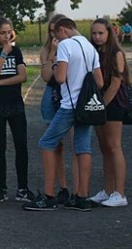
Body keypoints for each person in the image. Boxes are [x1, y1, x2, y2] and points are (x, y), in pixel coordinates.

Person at [23, 17, 103, 212]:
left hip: (69, 105)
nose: (55, 38)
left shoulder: (66, 45)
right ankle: (81, 196)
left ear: (64, 30)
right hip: (86, 106)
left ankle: (49, 195)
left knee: (46, 143)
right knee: (83, 147)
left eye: (56, 34)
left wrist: (58, 56)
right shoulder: (90, 47)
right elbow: (99, 82)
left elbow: (59, 78)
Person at [0, 17, 34, 203]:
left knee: (21, 145)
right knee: (0, 146)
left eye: (9, 32)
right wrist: (3, 54)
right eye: (2, 32)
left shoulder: (16, 51)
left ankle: (23, 188)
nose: (7, 35)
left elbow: (22, 77)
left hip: (14, 103)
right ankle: (2, 188)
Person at [89, 18, 130, 207]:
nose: (97, 37)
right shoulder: (94, 52)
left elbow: (115, 83)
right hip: (99, 103)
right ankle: (107, 190)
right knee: (104, 148)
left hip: (113, 103)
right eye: (94, 33)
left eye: (101, 33)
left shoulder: (116, 53)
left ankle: (120, 193)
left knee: (114, 146)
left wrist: (101, 106)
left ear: (108, 34)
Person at [38, 14, 74, 206]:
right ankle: (63, 187)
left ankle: (79, 190)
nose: (55, 34)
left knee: (77, 142)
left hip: (72, 94)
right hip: (53, 95)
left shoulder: (75, 47)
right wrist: (53, 52)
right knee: (55, 144)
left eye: (57, 30)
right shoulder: (47, 50)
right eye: (51, 31)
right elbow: (46, 76)